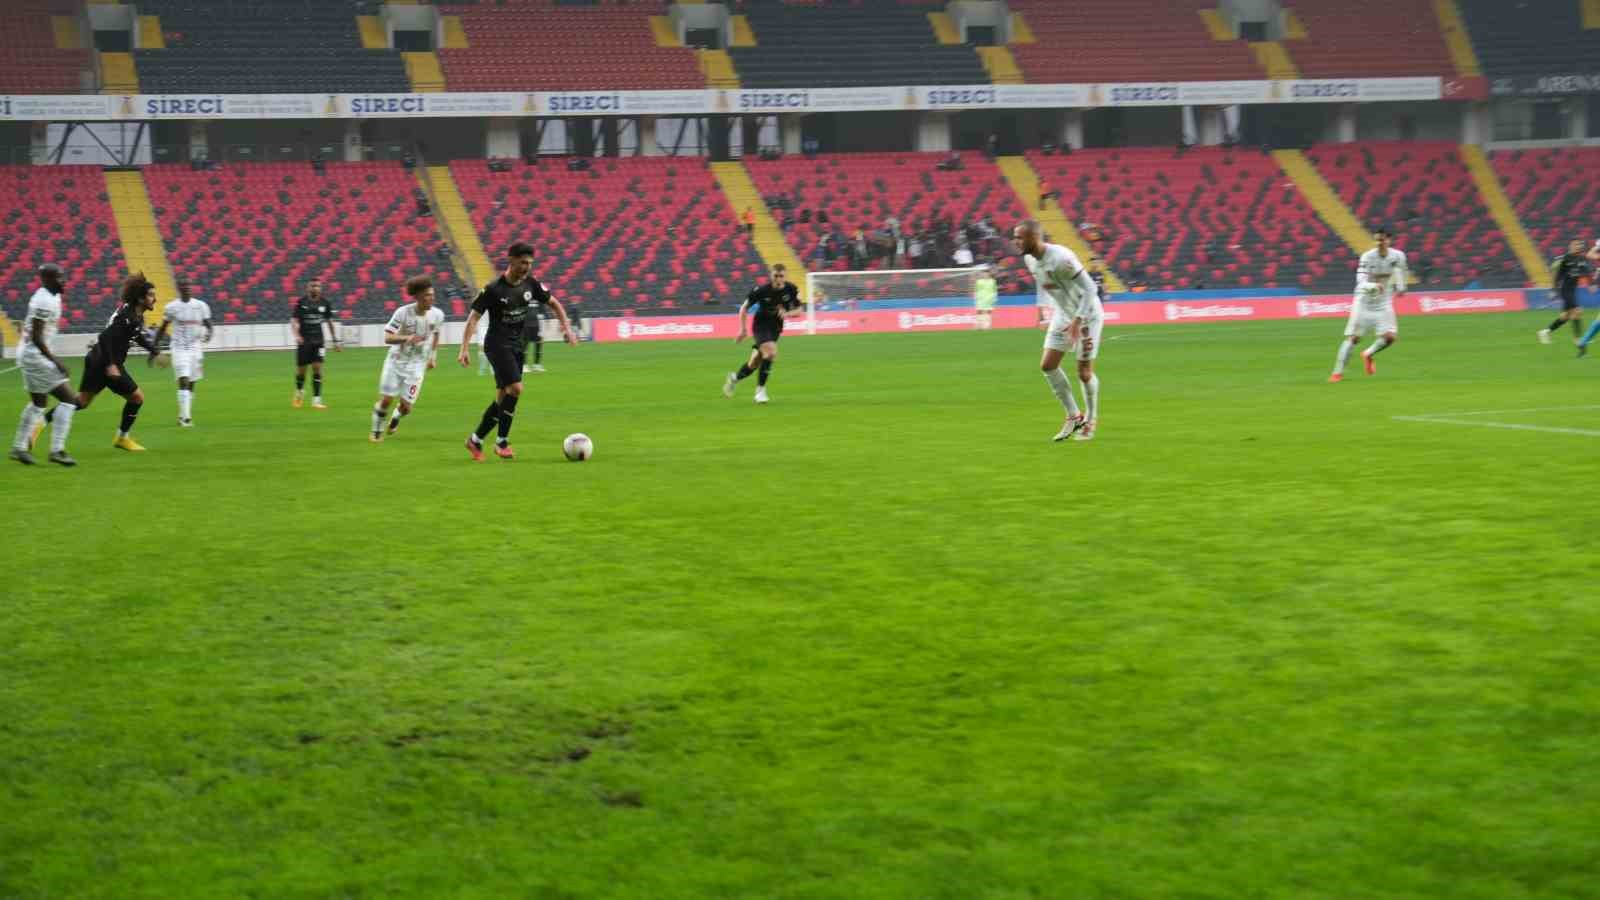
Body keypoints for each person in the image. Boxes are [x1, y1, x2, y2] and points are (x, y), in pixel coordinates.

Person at [456, 242, 577, 461]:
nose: (526, 267)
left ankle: (475, 440)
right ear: (510, 260)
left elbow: (554, 303)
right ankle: (502, 442)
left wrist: (566, 328)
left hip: (516, 345)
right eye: (522, 262)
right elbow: (473, 317)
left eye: (529, 263)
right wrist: (464, 348)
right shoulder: (493, 289)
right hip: (496, 344)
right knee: (516, 388)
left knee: (502, 399)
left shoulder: (531, 284)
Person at [1014, 219, 1103, 442]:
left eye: (1019, 237)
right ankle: (1074, 415)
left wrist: (1078, 320)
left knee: (1084, 373)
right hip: (1063, 313)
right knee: (1048, 365)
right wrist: (1041, 310)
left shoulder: (1062, 258)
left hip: (1087, 314)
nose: (1016, 242)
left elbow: (1091, 288)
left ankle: (1091, 419)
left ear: (1034, 238)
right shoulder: (1030, 259)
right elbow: (1042, 283)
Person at [72, 272, 163, 452]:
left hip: (98, 360)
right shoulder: (127, 316)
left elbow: (136, 335)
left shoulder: (134, 315)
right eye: (151, 295)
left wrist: (155, 351)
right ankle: (122, 439)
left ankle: (41, 420)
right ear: (140, 298)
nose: (155, 299)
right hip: (105, 363)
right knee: (137, 398)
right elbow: (104, 337)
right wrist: (111, 364)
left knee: (81, 402)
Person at [9, 263, 78, 466]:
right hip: (35, 356)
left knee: (38, 404)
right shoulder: (43, 301)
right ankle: (57, 450)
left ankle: (19, 448)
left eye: (63, 276)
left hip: (30, 354)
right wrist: (56, 361)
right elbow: (37, 338)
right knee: (69, 400)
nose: (64, 281)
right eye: (59, 277)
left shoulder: (52, 296)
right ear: (47, 279)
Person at [370, 275, 445, 443]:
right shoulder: (402, 313)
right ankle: (376, 431)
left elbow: (436, 334)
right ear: (417, 296)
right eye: (427, 295)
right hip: (396, 362)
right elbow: (387, 337)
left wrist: (433, 357)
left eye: (432, 294)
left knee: (406, 408)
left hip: (417, 366)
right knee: (386, 400)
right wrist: (406, 338)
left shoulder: (437, 315)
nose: (431, 298)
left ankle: (396, 417)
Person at [1330, 228, 1407, 382]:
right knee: (1354, 338)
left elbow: (1400, 270)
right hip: (1364, 302)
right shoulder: (1367, 257)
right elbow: (1360, 281)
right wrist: (1373, 286)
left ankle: (1368, 354)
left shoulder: (1398, 256)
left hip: (1384, 302)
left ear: (1389, 240)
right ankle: (1337, 373)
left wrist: (1401, 286)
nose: (1379, 243)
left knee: (1390, 338)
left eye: (1382, 240)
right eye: (1376, 240)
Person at [723, 264, 803, 404]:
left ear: (785, 276)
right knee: (771, 353)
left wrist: (787, 314)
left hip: (775, 328)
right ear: (771, 275)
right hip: (760, 326)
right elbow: (744, 308)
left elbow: (799, 311)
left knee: (754, 363)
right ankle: (760, 392)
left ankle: (734, 378)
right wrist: (743, 329)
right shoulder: (761, 290)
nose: (778, 279)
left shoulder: (791, 289)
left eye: (781, 276)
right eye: (775, 276)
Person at [154, 279, 213, 427]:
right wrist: (154, 347)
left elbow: (208, 324)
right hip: (179, 348)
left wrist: (209, 334)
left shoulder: (201, 306)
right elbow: (163, 327)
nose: (187, 288)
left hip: (196, 349)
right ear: (178, 289)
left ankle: (182, 415)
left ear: (192, 288)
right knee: (184, 379)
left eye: (188, 286)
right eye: (184, 286)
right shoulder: (172, 307)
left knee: (192, 383)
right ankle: (186, 419)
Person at [290, 278, 340, 409]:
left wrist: (335, 340)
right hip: (304, 342)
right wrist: (297, 335)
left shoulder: (325, 303)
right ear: (308, 288)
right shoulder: (301, 302)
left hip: (319, 342)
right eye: (312, 286)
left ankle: (316, 400)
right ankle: (299, 392)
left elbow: (329, 322)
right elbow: (294, 321)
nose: (315, 288)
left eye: (317, 286)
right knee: (301, 371)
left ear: (320, 288)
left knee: (317, 368)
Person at [1541, 239, 1593, 347]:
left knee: (1565, 317)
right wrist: (1553, 290)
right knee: (1577, 311)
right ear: (1570, 246)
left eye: (1579, 244)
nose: (1578, 246)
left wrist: (1591, 284)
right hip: (1565, 290)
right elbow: (1558, 275)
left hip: (1573, 290)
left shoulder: (1581, 258)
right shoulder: (1565, 258)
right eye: (1576, 244)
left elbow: (1586, 272)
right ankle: (1578, 340)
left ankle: (1545, 332)